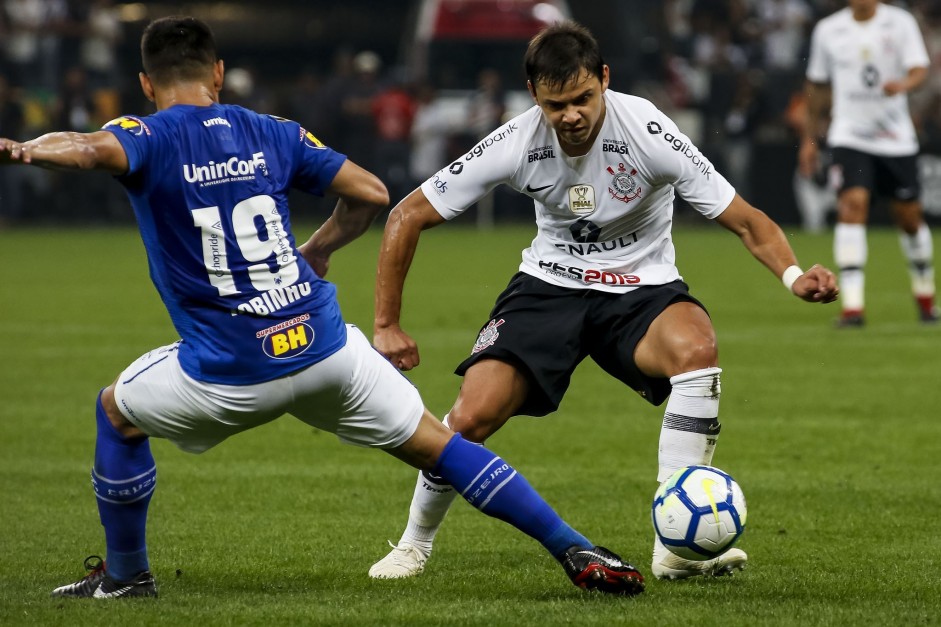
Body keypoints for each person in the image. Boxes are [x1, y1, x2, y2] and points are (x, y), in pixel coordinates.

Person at [0, 16, 645, 599]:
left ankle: (125, 576)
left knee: (115, 411)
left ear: (147, 83)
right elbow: (369, 192)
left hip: (232, 374)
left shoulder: (146, 134)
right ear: (218, 73)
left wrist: (32, 149)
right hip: (325, 347)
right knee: (439, 446)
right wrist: (319, 248)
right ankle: (575, 549)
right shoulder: (270, 130)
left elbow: (88, 148)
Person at [368, 21, 839, 582]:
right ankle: (413, 544)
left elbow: (745, 220)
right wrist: (386, 323)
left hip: (641, 289)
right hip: (549, 287)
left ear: (604, 81)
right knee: (469, 417)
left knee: (697, 350)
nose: (571, 115)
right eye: (555, 103)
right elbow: (406, 215)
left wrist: (791, 275)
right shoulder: (517, 140)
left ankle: (673, 547)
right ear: (534, 97)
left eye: (584, 98)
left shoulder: (648, 130)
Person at [799, 0, 939, 326]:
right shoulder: (828, 30)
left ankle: (925, 298)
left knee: (909, 217)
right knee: (852, 205)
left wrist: (904, 84)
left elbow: (919, 68)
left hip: (896, 138)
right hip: (850, 136)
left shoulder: (900, 22)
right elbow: (817, 86)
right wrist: (808, 138)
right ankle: (852, 307)